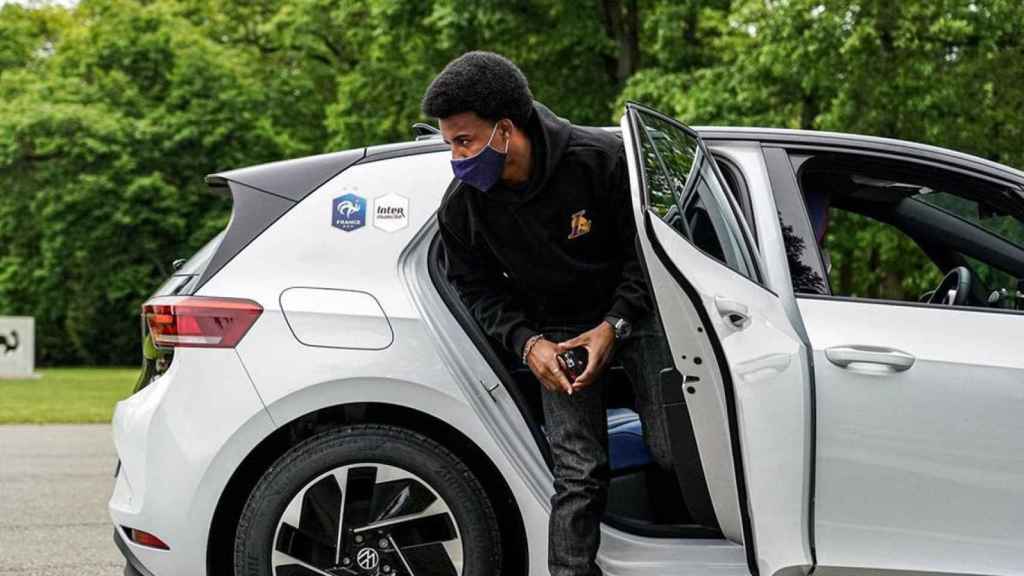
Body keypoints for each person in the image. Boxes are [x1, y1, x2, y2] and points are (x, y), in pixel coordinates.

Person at [421, 51, 673, 576]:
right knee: (578, 473)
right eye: (449, 145)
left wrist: (615, 325)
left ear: (505, 131)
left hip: (637, 314)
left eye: (464, 142)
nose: (456, 158)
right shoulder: (462, 204)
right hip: (554, 330)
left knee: (675, 453)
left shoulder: (601, 160)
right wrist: (528, 344)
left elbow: (648, 256)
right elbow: (476, 288)